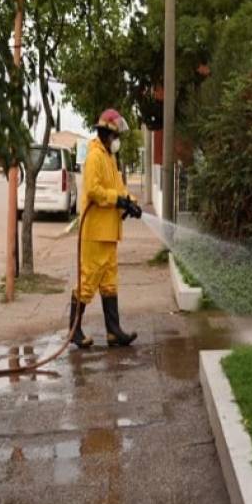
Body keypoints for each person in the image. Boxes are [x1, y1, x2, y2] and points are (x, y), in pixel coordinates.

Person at [70, 109, 142, 349]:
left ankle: (113, 331)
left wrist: (130, 202)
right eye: (115, 135)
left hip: (109, 232)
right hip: (94, 232)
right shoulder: (94, 157)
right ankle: (74, 331)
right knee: (88, 280)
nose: (117, 139)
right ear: (107, 132)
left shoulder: (109, 158)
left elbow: (118, 188)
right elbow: (93, 190)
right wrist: (117, 200)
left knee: (110, 282)